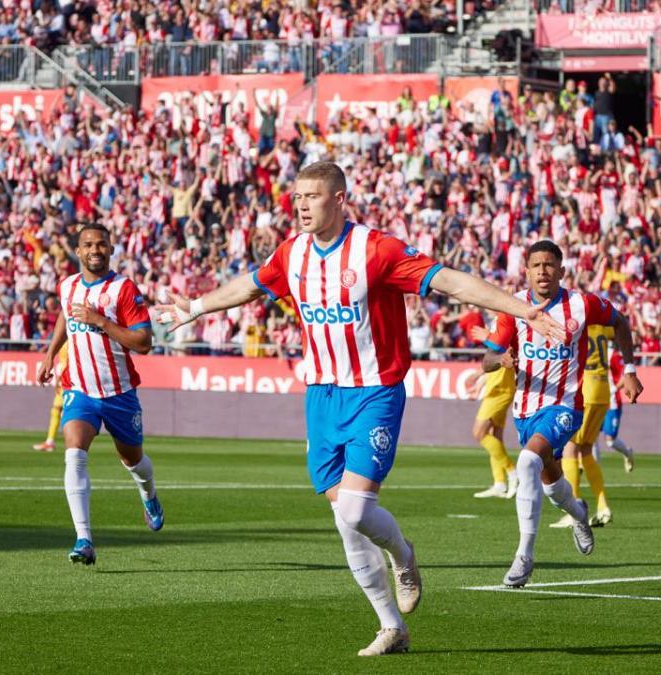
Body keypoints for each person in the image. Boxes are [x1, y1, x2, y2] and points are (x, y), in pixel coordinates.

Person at [154, 162, 563, 657]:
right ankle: (392, 628)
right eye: (297, 197)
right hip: (322, 396)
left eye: (313, 196)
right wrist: (195, 307)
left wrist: (524, 310)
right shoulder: (293, 253)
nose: (301, 205)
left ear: (341, 198)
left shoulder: (376, 249)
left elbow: (450, 281)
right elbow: (249, 285)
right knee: (343, 520)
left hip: (374, 391)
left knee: (355, 508)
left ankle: (404, 554)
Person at [482, 240, 643, 588]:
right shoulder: (513, 309)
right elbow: (487, 360)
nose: (543, 270)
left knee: (526, 462)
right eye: (536, 265)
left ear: (562, 270)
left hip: (566, 406)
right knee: (552, 484)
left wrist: (628, 369)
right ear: (526, 271)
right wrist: (502, 360)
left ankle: (524, 556)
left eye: (550, 264)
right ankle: (579, 513)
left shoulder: (581, 305)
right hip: (525, 411)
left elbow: (621, 321)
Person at [35, 223, 161, 566]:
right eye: (88, 244)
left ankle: (148, 494)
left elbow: (144, 343)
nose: (95, 250)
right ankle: (84, 539)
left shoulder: (124, 290)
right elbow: (65, 314)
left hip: (119, 392)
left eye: (101, 244)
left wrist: (100, 321)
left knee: (134, 461)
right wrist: (50, 355)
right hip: (80, 388)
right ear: (78, 251)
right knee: (73, 452)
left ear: (110, 249)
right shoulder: (68, 286)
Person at [552, 320, 617, 529]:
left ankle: (573, 510)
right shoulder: (603, 328)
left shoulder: (577, 326)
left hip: (586, 390)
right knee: (587, 449)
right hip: (603, 390)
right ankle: (603, 506)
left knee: (570, 450)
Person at [469, 323, 518, 499]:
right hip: (495, 387)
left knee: (479, 433)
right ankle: (499, 483)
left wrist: (489, 336)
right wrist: (479, 384)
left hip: (501, 390)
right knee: (494, 435)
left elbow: (505, 355)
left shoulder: (508, 322)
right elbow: (493, 364)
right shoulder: (498, 322)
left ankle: (513, 473)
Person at [596, 342, 636, 472]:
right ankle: (595, 469)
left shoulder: (613, 355)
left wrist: (613, 389)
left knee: (610, 442)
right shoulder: (593, 353)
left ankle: (627, 453)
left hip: (611, 403)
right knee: (590, 437)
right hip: (596, 401)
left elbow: (625, 376)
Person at [33, 342, 68, 452]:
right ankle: (50, 441)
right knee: (57, 409)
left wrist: (61, 377)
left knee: (63, 409)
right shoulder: (64, 340)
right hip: (66, 377)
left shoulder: (72, 339)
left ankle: (72, 442)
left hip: (71, 378)